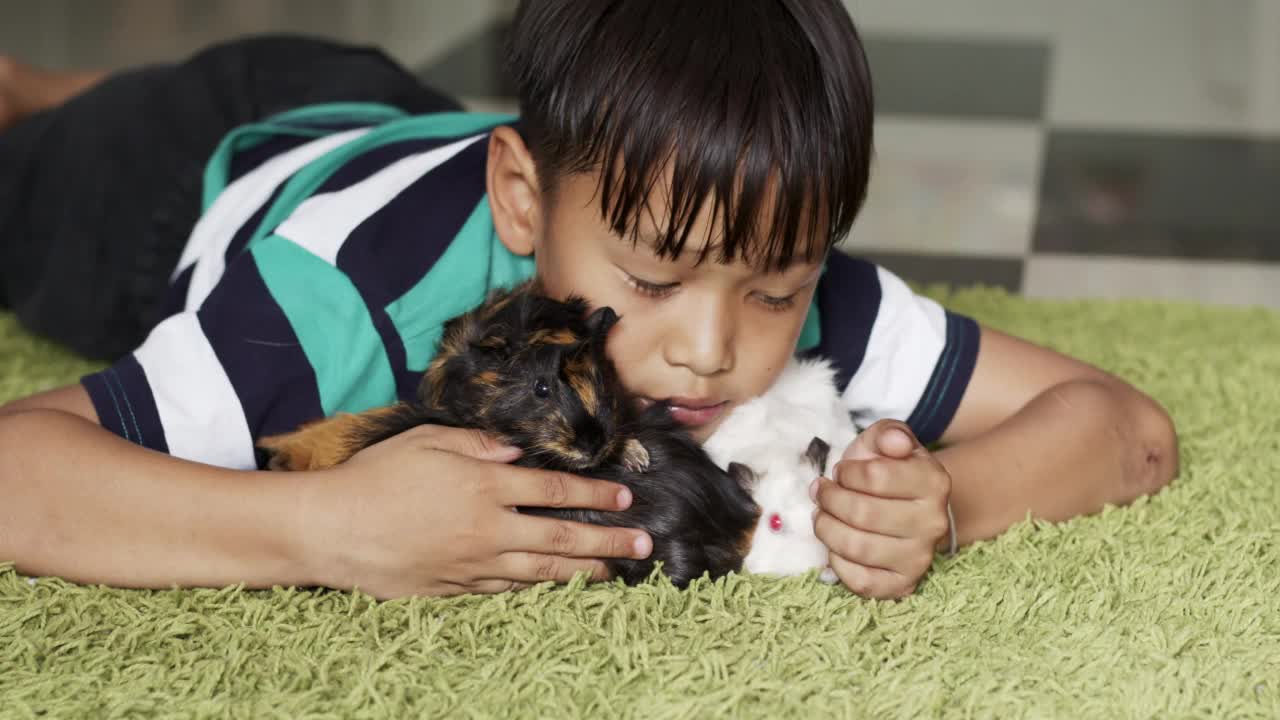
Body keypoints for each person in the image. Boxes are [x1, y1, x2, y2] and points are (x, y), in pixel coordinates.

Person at [0, 2, 1178, 601]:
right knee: (49, 139)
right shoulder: (340, 295)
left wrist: (949, 497)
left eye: (773, 288)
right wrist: (325, 532)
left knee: (333, 96)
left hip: (373, 104)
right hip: (165, 183)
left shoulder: (767, 249)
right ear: (522, 201)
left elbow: (1123, 429)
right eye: (653, 280)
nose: (712, 350)